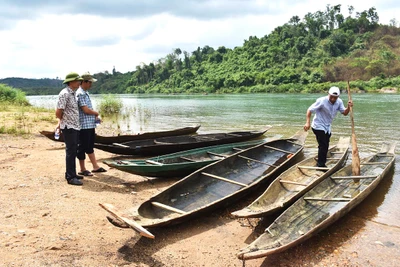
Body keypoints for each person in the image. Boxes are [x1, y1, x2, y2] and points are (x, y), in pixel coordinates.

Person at [303, 86, 353, 168]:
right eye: (331, 97)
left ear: (338, 97)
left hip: (327, 127)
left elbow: (344, 113)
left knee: (325, 145)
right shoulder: (322, 101)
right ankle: (320, 165)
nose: (333, 99)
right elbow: (309, 110)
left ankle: (321, 159)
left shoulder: (339, 102)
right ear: (328, 94)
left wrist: (348, 107)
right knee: (323, 145)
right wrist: (307, 123)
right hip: (318, 125)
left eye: (335, 97)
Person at [76, 72, 107, 176]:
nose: (91, 84)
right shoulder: (80, 93)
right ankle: (82, 169)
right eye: (89, 82)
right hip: (83, 126)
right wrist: (96, 113)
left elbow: (88, 109)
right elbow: (85, 110)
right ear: (84, 82)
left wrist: (95, 116)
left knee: (89, 146)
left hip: (89, 125)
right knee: (82, 147)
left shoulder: (85, 93)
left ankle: (95, 166)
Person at [56, 72, 84, 186]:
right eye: (78, 81)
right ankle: (70, 177)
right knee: (71, 151)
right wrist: (64, 122)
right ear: (71, 82)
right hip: (69, 127)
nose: (79, 83)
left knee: (73, 150)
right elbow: (58, 112)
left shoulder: (73, 93)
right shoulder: (65, 93)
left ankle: (72, 173)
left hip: (75, 126)